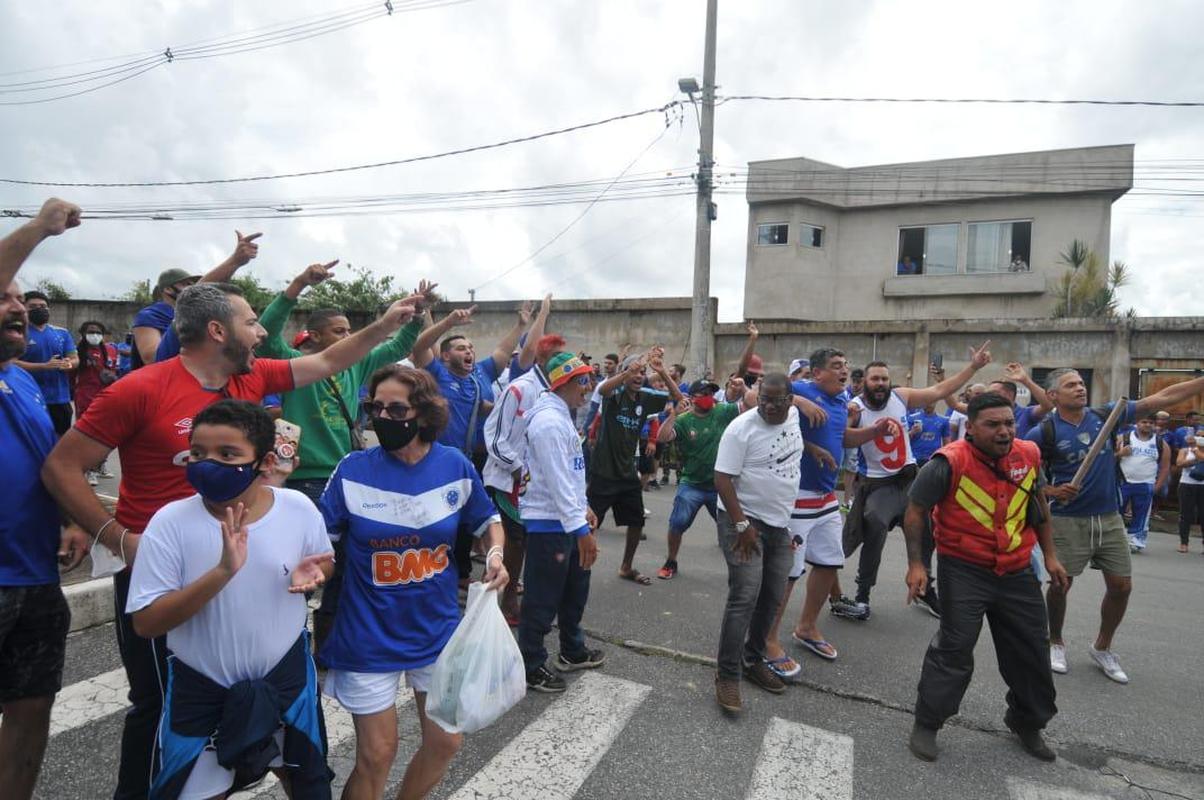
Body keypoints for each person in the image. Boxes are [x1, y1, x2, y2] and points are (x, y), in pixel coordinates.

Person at [42, 281, 424, 800]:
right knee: (159, 707)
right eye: (252, 321)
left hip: (248, 563)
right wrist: (118, 537)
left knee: (280, 705)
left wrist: (388, 324)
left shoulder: (252, 377)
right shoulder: (138, 389)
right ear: (218, 331)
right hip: (167, 570)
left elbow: (331, 361)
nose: (263, 330)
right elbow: (63, 466)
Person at [126, 400, 335, 799]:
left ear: (265, 461)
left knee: (307, 782)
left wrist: (320, 574)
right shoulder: (169, 523)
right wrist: (222, 573)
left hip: (285, 684)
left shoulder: (298, 508)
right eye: (198, 453)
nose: (209, 464)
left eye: (228, 455)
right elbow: (147, 623)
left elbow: (325, 563)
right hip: (201, 692)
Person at [318, 365, 506, 800]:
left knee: (445, 741)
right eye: (375, 407)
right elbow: (318, 544)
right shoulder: (352, 470)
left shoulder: (454, 465)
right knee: (377, 754)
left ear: (423, 413)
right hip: (367, 635)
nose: (383, 416)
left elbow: (488, 521)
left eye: (396, 408)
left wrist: (495, 555)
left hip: (436, 630)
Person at [255, 262, 432, 651]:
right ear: (314, 337)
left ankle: (328, 645)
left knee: (345, 566)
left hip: (346, 478)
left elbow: (399, 346)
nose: (348, 337)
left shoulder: (357, 364)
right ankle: (280, 641)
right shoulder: (291, 365)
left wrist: (416, 317)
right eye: (339, 332)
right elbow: (267, 334)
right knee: (301, 566)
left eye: (350, 331)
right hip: (303, 482)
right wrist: (298, 284)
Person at [903, 392, 1069, 763]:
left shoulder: (1028, 455)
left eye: (1009, 423)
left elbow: (1038, 506)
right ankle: (928, 723)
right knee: (954, 648)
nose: (1004, 432)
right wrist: (917, 565)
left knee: (1030, 650)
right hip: (963, 568)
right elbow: (914, 511)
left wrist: (1052, 557)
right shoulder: (947, 463)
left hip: (1016, 568)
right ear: (971, 428)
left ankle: (1027, 722)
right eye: (992, 424)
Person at [1027, 368, 1204, 683]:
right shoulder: (1044, 433)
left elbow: (1162, 397)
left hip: (1109, 517)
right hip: (1067, 519)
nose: (1080, 388)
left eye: (1081, 383)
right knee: (1059, 586)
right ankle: (1055, 641)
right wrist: (1053, 491)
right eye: (1071, 385)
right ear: (1053, 395)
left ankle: (1102, 647)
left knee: (1122, 586)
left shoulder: (1105, 416)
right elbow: (1024, 475)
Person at [0, 197, 89, 800]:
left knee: (30, 713)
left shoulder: (23, 380)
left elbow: (46, 464)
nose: (17, 306)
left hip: (34, 579)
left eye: (19, 297)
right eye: (5, 294)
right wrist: (36, 229)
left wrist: (70, 520)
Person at [835, 343, 993, 620]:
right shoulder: (856, 407)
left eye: (885, 378)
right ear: (865, 383)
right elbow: (843, 437)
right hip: (878, 485)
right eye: (875, 378)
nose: (881, 383)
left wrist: (974, 367)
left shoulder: (901, 397)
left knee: (926, 533)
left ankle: (925, 588)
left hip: (909, 479)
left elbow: (940, 392)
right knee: (876, 527)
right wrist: (870, 429)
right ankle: (862, 595)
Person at [762, 348, 892, 672]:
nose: (844, 370)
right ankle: (766, 639)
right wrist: (798, 401)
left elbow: (842, 436)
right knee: (787, 573)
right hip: (796, 498)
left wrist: (873, 432)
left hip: (825, 499)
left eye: (846, 365)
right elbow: (756, 396)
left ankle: (806, 627)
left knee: (828, 562)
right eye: (836, 366)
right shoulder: (804, 389)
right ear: (816, 373)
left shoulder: (841, 399)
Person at [712, 373, 804, 712]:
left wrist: (820, 450)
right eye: (763, 398)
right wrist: (741, 525)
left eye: (777, 400)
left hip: (779, 525)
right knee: (745, 596)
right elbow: (721, 478)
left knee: (773, 595)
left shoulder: (794, 416)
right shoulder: (741, 430)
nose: (768, 405)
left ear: (790, 401)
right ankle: (727, 676)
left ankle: (752, 661)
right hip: (742, 523)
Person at [517, 353, 604, 692]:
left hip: (568, 519)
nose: (589, 387)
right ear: (564, 383)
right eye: (584, 381)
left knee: (573, 593)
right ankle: (531, 663)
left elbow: (570, 474)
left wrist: (585, 507)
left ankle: (572, 649)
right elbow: (555, 481)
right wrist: (581, 529)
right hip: (550, 525)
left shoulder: (561, 416)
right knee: (542, 598)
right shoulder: (549, 423)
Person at [481, 296, 555, 624]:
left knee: (528, 540)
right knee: (515, 539)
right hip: (508, 478)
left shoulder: (556, 395)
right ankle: (505, 598)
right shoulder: (518, 388)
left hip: (534, 483)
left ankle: (513, 591)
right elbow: (494, 437)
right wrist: (519, 469)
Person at [589, 352, 683, 585]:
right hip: (603, 472)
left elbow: (678, 398)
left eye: (642, 372)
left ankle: (626, 567)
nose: (639, 376)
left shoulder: (646, 397)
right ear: (625, 372)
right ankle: (580, 564)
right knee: (589, 523)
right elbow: (602, 390)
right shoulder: (614, 394)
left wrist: (662, 372)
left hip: (627, 473)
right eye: (634, 371)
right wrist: (625, 372)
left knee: (636, 521)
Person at [654, 379, 753, 580]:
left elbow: (751, 404)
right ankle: (671, 561)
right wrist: (674, 413)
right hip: (692, 484)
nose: (709, 396)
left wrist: (742, 388)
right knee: (678, 523)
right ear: (692, 398)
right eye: (704, 393)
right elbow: (662, 437)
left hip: (721, 485)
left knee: (735, 527)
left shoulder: (722, 411)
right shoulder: (683, 421)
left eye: (711, 392)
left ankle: (740, 570)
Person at [130, 231, 261, 370]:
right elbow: (152, 360)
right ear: (168, 289)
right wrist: (234, 261)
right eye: (186, 284)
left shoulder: (200, 315)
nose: (191, 287)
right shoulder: (150, 315)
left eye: (192, 284)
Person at [16, 290, 78, 436]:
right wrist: (43, 366)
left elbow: (74, 359)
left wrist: (68, 363)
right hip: (28, 398)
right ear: (23, 308)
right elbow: (8, 363)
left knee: (59, 443)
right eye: (33, 306)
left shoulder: (62, 333)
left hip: (60, 400)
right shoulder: (16, 333)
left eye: (43, 306)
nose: (39, 309)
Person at [73, 320, 121, 485]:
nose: (95, 335)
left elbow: (116, 371)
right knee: (88, 434)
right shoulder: (78, 352)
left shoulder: (111, 350)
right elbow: (71, 376)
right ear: (84, 334)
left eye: (98, 332)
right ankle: (88, 469)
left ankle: (100, 464)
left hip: (106, 396)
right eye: (91, 332)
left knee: (107, 433)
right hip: (85, 397)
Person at [1117, 414, 1170, 553]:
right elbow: (1108, 457)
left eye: (1150, 422)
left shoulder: (1161, 443)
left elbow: (1165, 467)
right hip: (1123, 482)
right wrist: (1120, 454)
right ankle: (1113, 540)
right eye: (1144, 421)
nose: (1147, 425)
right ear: (1137, 423)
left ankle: (1136, 541)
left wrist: (1157, 486)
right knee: (1115, 513)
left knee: (1142, 514)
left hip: (1146, 484)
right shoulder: (1124, 438)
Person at [986, 363, 1053, 438]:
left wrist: (1025, 380)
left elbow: (1049, 404)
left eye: (993, 393)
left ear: (1009, 394)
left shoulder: (1026, 413)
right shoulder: (986, 414)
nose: (988, 397)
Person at [840, 368, 865, 508]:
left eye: (859, 382)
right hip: (841, 435)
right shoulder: (843, 394)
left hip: (857, 436)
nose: (855, 385)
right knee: (836, 466)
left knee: (852, 468)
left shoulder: (866, 397)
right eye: (853, 381)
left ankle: (846, 501)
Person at [1174, 434, 1204, 554]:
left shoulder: (1195, 450)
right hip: (1187, 484)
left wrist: (1196, 452)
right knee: (1185, 514)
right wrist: (1196, 459)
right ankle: (1184, 543)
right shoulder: (1185, 450)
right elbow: (1179, 463)